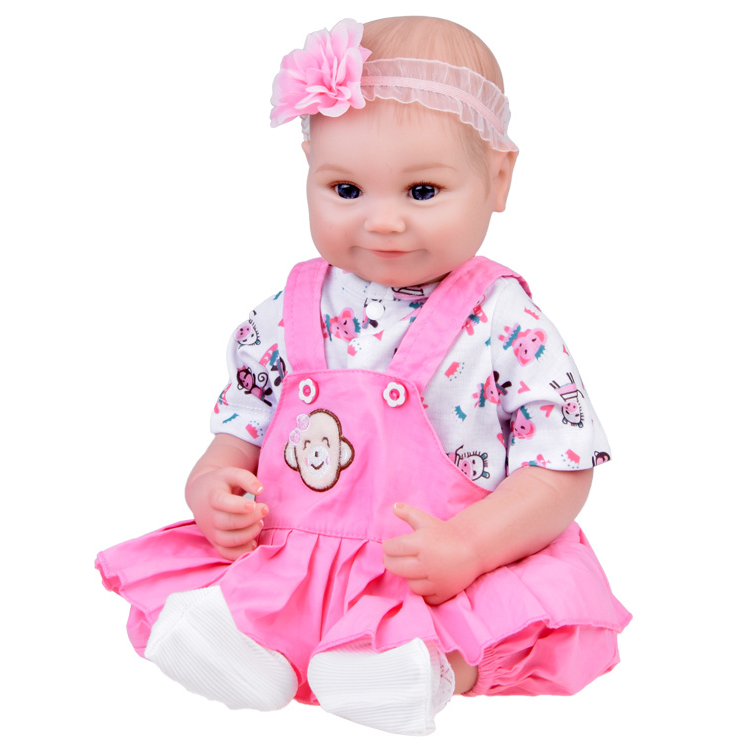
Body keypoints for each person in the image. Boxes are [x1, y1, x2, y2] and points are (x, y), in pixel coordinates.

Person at [96, 16, 630, 736]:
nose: (382, 222)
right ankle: (253, 647)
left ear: (498, 179)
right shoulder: (286, 311)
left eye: (421, 191)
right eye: (346, 189)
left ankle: (426, 670)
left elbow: (559, 469)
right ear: (309, 169)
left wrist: (470, 547)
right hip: (301, 556)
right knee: (242, 584)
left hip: (440, 563)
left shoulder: (507, 323)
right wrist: (212, 485)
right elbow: (240, 429)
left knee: (515, 608)